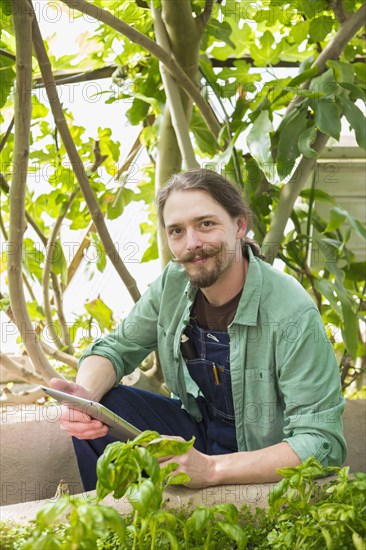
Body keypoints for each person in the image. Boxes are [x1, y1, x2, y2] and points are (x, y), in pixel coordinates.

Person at [52, 168, 347, 491]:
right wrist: (85, 399)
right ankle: (114, 530)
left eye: (206, 224)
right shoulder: (173, 284)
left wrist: (211, 469)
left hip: (261, 459)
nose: (192, 243)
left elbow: (321, 443)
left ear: (239, 225)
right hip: (199, 434)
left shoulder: (293, 312)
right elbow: (116, 349)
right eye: (177, 231)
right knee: (106, 408)